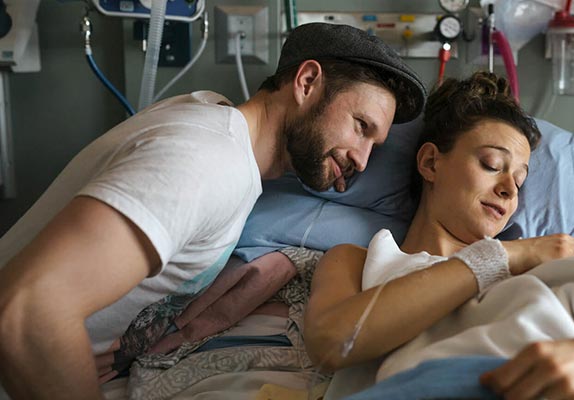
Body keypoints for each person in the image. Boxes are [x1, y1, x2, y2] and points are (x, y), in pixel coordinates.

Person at [0, 23, 425, 399]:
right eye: (360, 126)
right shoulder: (209, 162)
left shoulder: (215, 123)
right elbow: (29, 311)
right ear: (307, 82)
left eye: (375, 145)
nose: (363, 160)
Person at [304, 72, 574, 400]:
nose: (508, 190)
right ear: (430, 163)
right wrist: (506, 256)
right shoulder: (356, 261)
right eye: (492, 164)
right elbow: (332, 343)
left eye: (519, 181)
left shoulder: (540, 270)